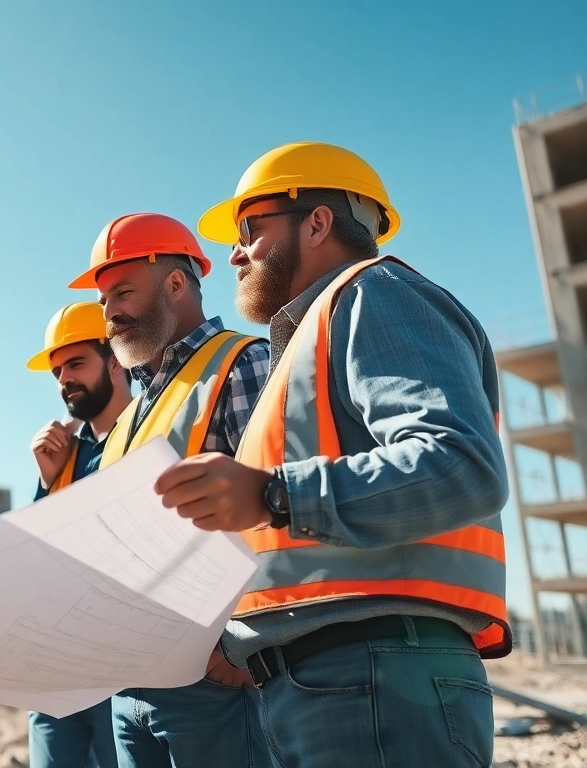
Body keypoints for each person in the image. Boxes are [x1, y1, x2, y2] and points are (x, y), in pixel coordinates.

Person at [156, 141, 510, 767]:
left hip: (376, 670)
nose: (234, 254)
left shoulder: (378, 295)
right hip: (333, 677)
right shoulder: (313, 339)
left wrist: (270, 494)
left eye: (250, 230)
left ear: (317, 223)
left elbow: (461, 463)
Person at [68, 213, 271, 768]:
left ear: (176, 283)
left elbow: (280, 506)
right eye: (104, 299)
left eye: (123, 293)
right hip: (129, 684)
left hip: (211, 683)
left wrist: (243, 649)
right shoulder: (132, 413)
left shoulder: (242, 365)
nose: (109, 313)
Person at [24, 301, 130, 768]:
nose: (64, 378)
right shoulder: (63, 454)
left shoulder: (154, 432)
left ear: (115, 359)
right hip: (58, 668)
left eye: (76, 363)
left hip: (126, 667)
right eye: (57, 370)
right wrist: (47, 484)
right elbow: (38, 558)